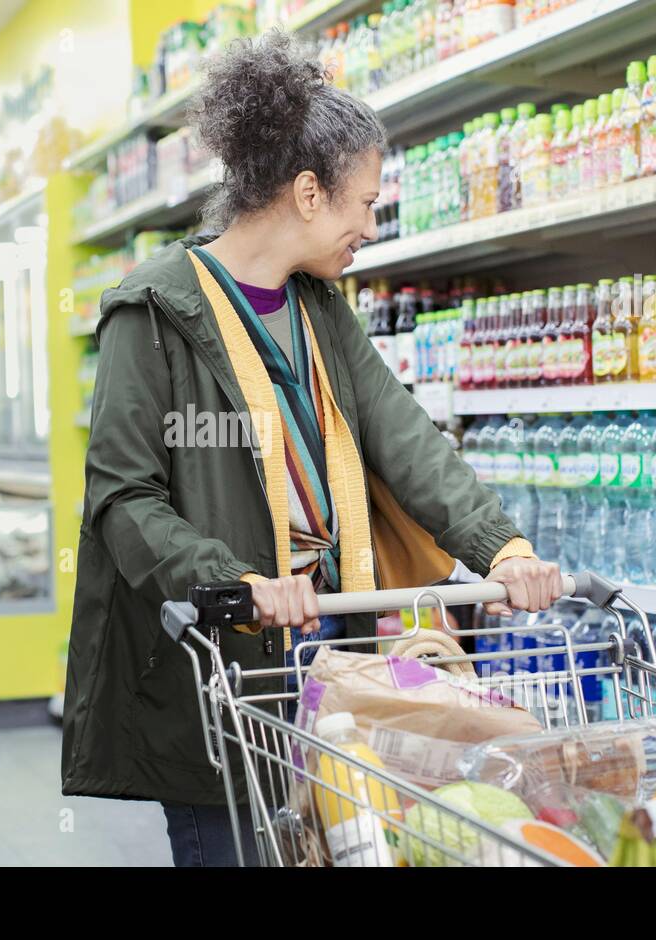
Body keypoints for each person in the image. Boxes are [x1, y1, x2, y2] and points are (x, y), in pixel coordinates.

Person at [60, 32, 563, 867]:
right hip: (222, 666)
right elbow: (123, 498)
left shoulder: (321, 309)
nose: (371, 223)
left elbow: (405, 439)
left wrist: (500, 546)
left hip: (335, 651)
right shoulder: (150, 311)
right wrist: (232, 580)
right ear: (306, 192)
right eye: (364, 201)